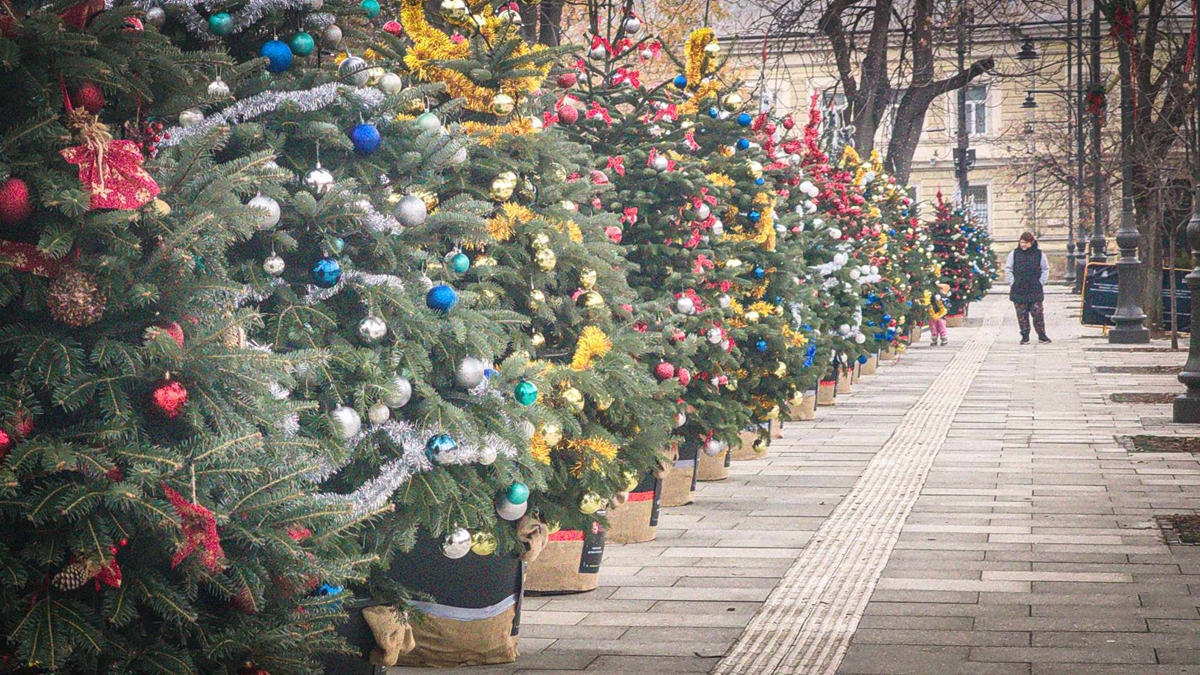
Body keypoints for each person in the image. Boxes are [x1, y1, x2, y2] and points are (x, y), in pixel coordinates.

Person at [1004, 231, 1051, 344]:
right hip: (1019, 289)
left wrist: (1041, 282)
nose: (1023, 245)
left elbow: (1045, 269)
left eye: (1026, 243)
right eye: (1021, 242)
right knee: (1022, 315)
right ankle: (1025, 336)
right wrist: (1012, 282)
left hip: (1034, 289)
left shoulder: (1040, 254)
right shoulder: (1014, 254)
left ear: (1032, 243)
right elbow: (1008, 268)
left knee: (1038, 313)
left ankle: (1042, 335)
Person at [926, 283, 951, 347]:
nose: (939, 291)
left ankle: (944, 339)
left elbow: (946, 308)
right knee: (933, 328)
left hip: (941, 317)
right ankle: (934, 340)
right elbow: (929, 305)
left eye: (941, 289)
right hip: (932, 316)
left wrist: (939, 315)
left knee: (942, 327)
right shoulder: (932, 298)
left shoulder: (945, 300)